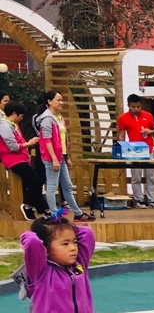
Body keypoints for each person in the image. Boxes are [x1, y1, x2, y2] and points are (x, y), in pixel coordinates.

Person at [36, 91, 87, 219]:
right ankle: (54, 214)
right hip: (51, 157)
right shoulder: (47, 119)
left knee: (67, 186)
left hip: (61, 156)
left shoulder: (59, 117)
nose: (61, 103)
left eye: (62, 100)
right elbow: (47, 140)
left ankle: (77, 213)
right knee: (52, 186)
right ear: (49, 101)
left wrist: (67, 156)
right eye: (58, 100)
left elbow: (63, 139)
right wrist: (54, 158)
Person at [117, 94, 154, 209]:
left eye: (138, 106)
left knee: (151, 176)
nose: (136, 109)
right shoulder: (123, 118)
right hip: (134, 151)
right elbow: (121, 134)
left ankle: (152, 199)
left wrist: (149, 131)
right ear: (128, 106)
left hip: (149, 149)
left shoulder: (148, 115)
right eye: (133, 107)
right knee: (136, 177)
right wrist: (121, 148)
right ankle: (139, 200)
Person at [1, 103, 45, 220]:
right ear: (14, 113)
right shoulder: (4, 126)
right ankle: (28, 205)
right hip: (13, 160)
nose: (22, 118)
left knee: (29, 183)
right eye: (21, 115)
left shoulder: (13, 126)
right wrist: (29, 143)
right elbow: (13, 147)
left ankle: (41, 209)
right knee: (36, 181)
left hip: (20, 158)